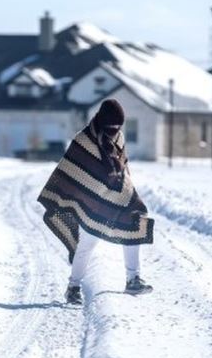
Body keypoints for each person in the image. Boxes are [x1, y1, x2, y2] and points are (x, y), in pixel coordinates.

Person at [37, 99, 154, 305]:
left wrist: (126, 190)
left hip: (118, 199)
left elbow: (122, 168)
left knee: (133, 227)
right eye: (112, 126)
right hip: (91, 203)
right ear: (102, 121)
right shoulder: (83, 140)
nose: (115, 130)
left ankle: (133, 279)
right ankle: (73, 287)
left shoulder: (119, 137)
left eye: (118, 126)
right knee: (87, 246)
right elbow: (71, 171)